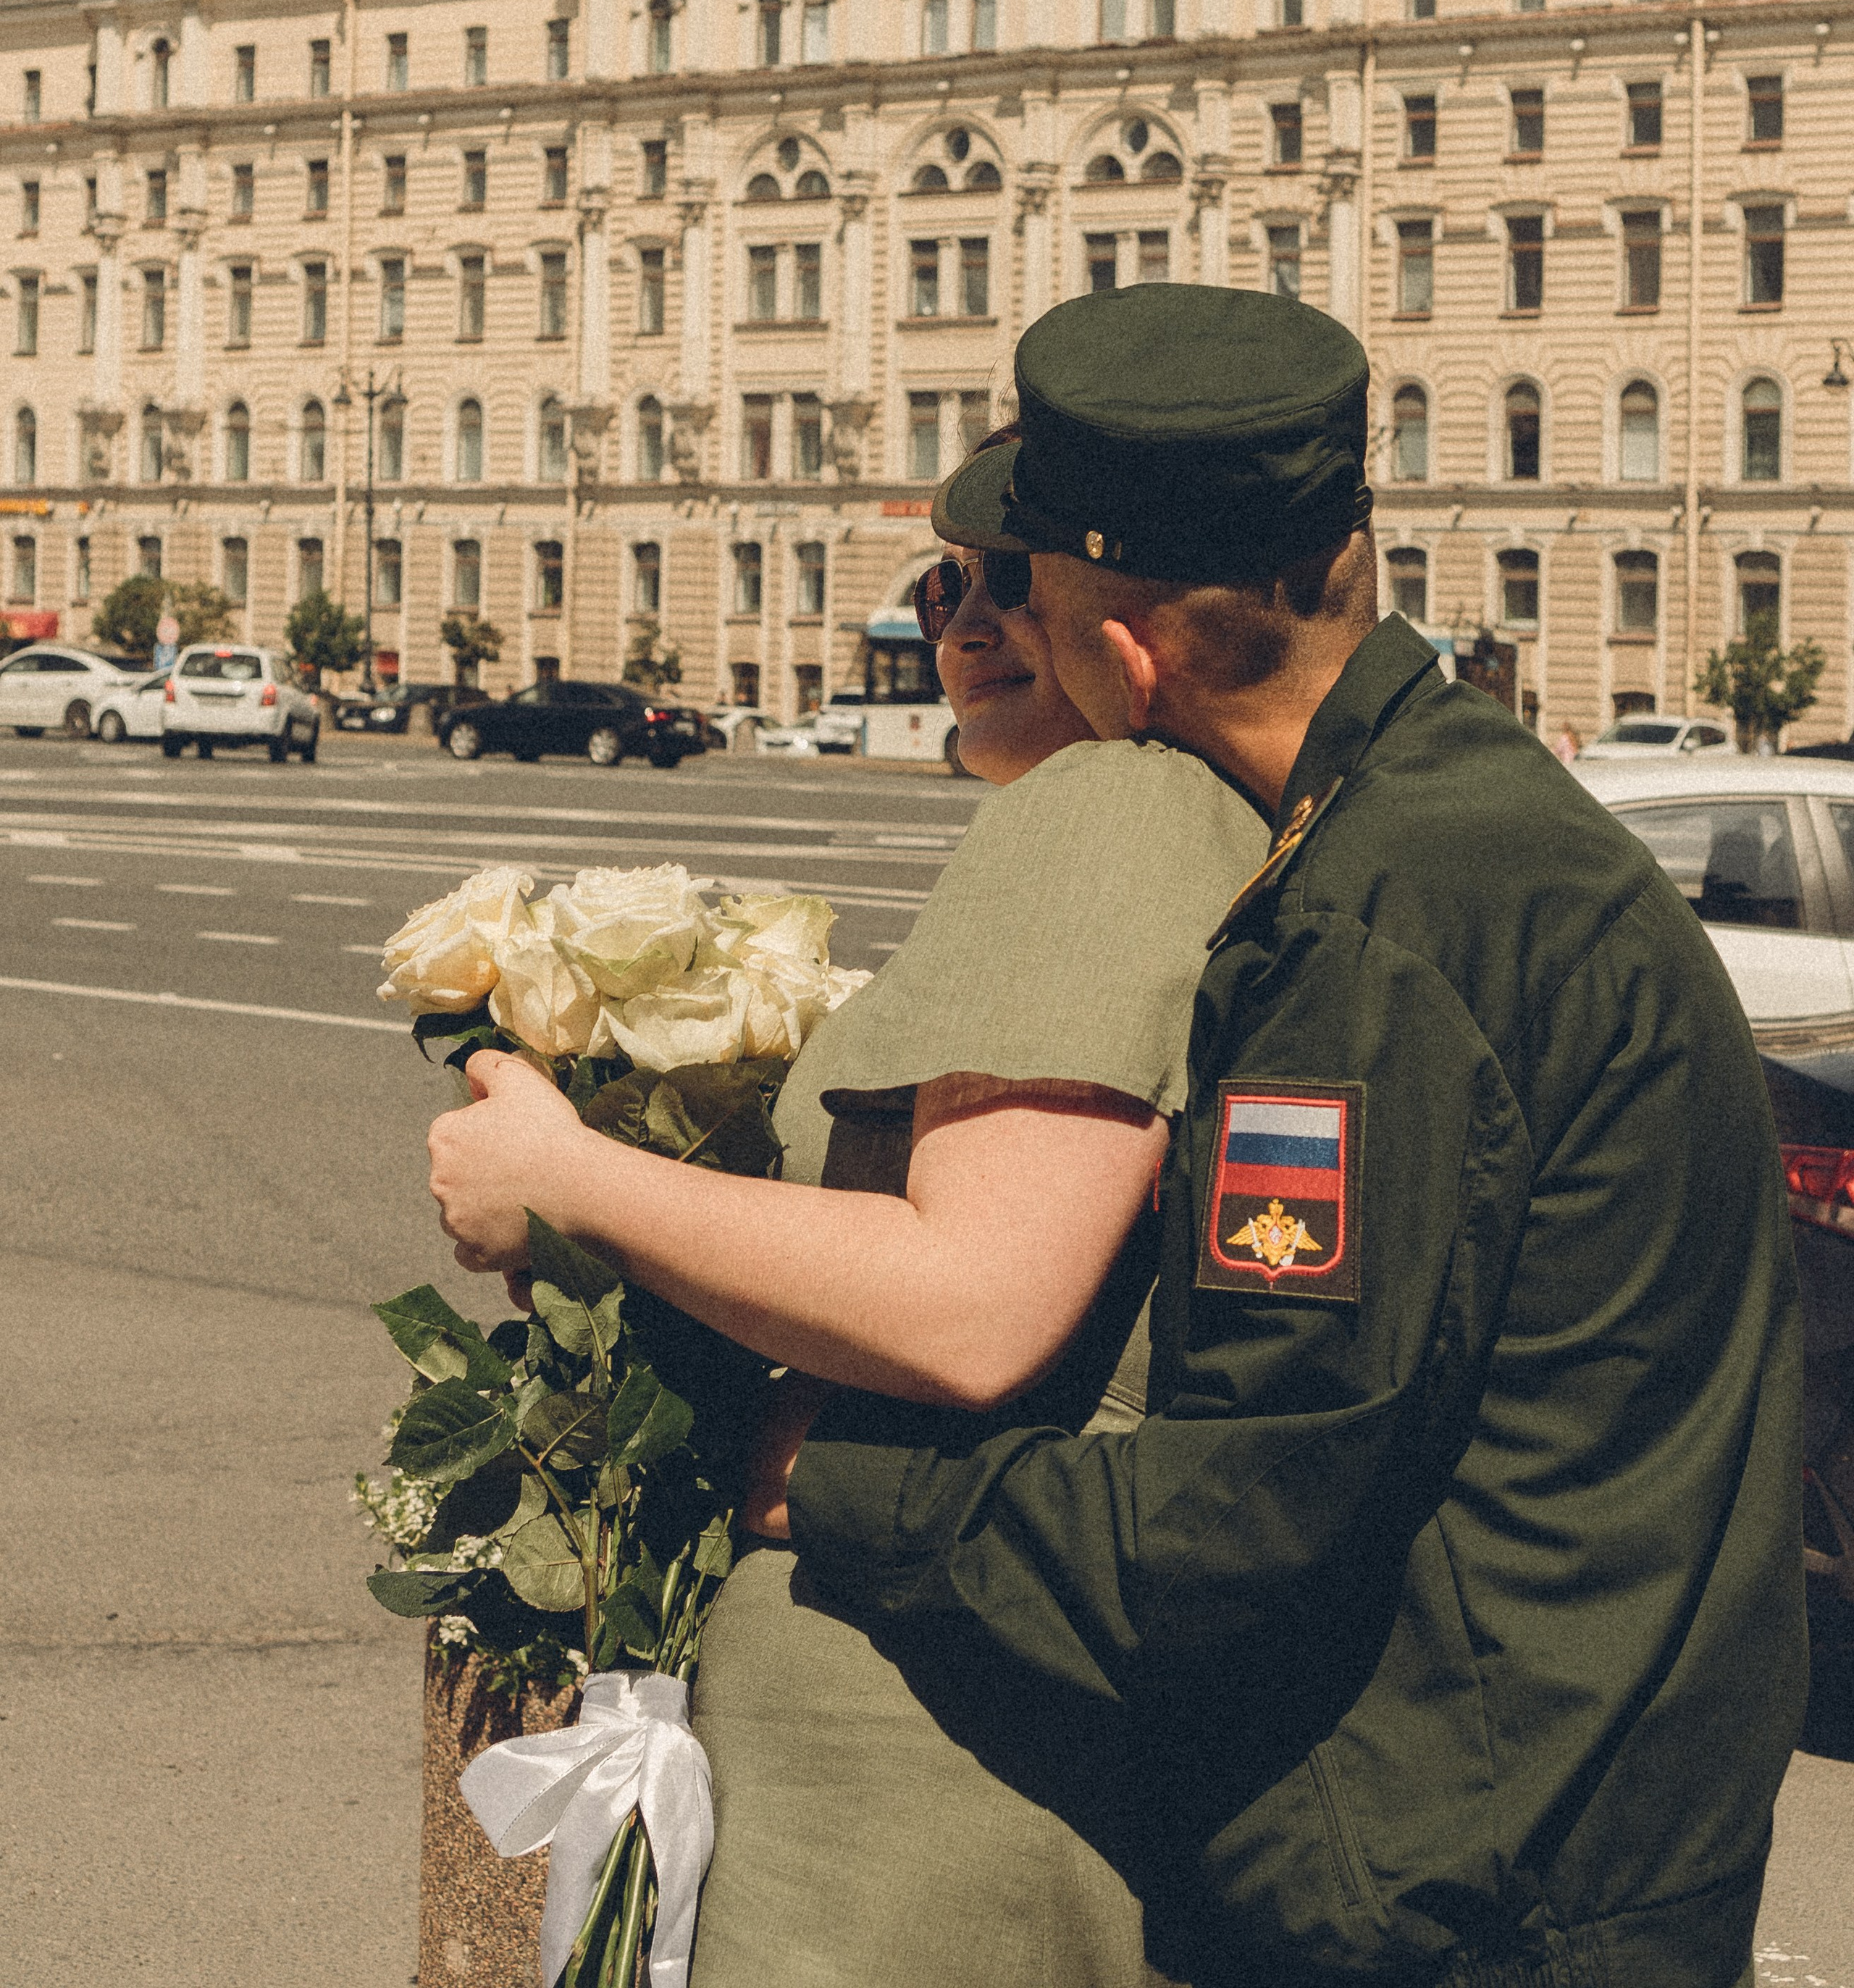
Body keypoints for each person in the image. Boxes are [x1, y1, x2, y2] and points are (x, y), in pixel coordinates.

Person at [760, 285, 1808, 1988]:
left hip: (1464, 1891)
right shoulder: (1472, 822)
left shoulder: (1363, 936)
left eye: (1022, 589)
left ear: (1124, 652)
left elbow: (1238, 1521)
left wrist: (847, 1492)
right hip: (1583, 1836)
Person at [428, 461, 1267, 1987]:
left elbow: (972, 1304)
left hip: (917, 1741)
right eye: (944, 584)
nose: (965, 623)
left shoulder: (1115, 805)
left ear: (1129, 606)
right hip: (977, 1699)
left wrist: (573, 1182)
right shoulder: (1176, 818)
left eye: (1017, 578)